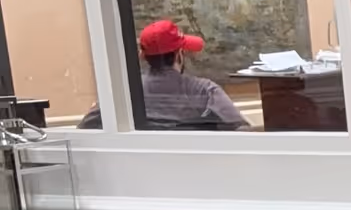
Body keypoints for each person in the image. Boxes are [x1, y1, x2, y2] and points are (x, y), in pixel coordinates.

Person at [78, 19, 252, 130]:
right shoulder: (205, 91)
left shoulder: (122, 93)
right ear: (179, 55)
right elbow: (242, 132)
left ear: (143, 56)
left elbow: (84, 130)